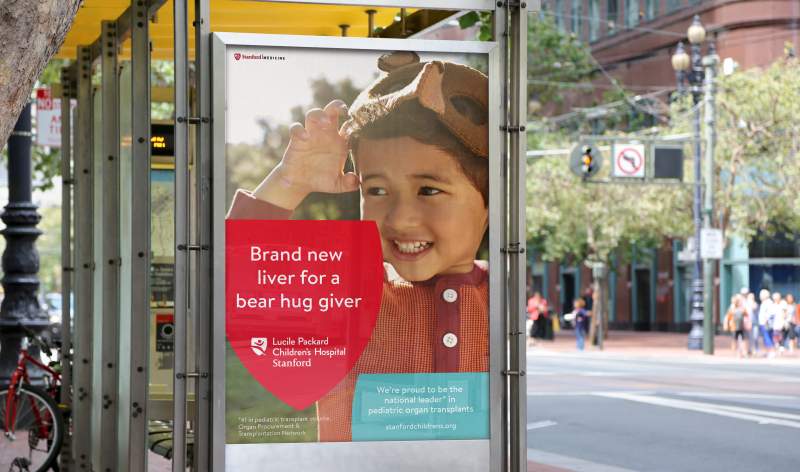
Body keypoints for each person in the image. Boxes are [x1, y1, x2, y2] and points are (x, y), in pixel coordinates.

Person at [227, 52, 490, 441]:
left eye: (429, 190)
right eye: (377, 190)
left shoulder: (508, 297)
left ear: (490, 201)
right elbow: (237, 278)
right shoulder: (346, 292)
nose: (400, 219)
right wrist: (290, 182)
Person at [757, 289, 775, 358]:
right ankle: (768, 352)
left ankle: (771, 352)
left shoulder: (768, 302)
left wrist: (766, 319)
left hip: (766, 323)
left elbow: (771, 313)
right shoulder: (766, 302)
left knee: (768, 337)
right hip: (765, 322)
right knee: (767, 337)